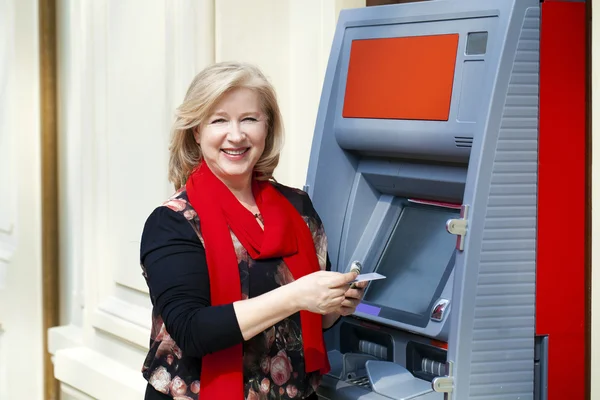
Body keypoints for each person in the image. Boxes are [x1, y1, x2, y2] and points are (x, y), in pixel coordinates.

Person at [140, 61, 367, 400]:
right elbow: (192, 331)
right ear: (197, 131)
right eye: (219, 120)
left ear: (266, 127)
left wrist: (336, 305)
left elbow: (305, 323)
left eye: (249, 118)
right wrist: (297, 295)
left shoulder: (298, 209)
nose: (236, 135)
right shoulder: (173, 221)